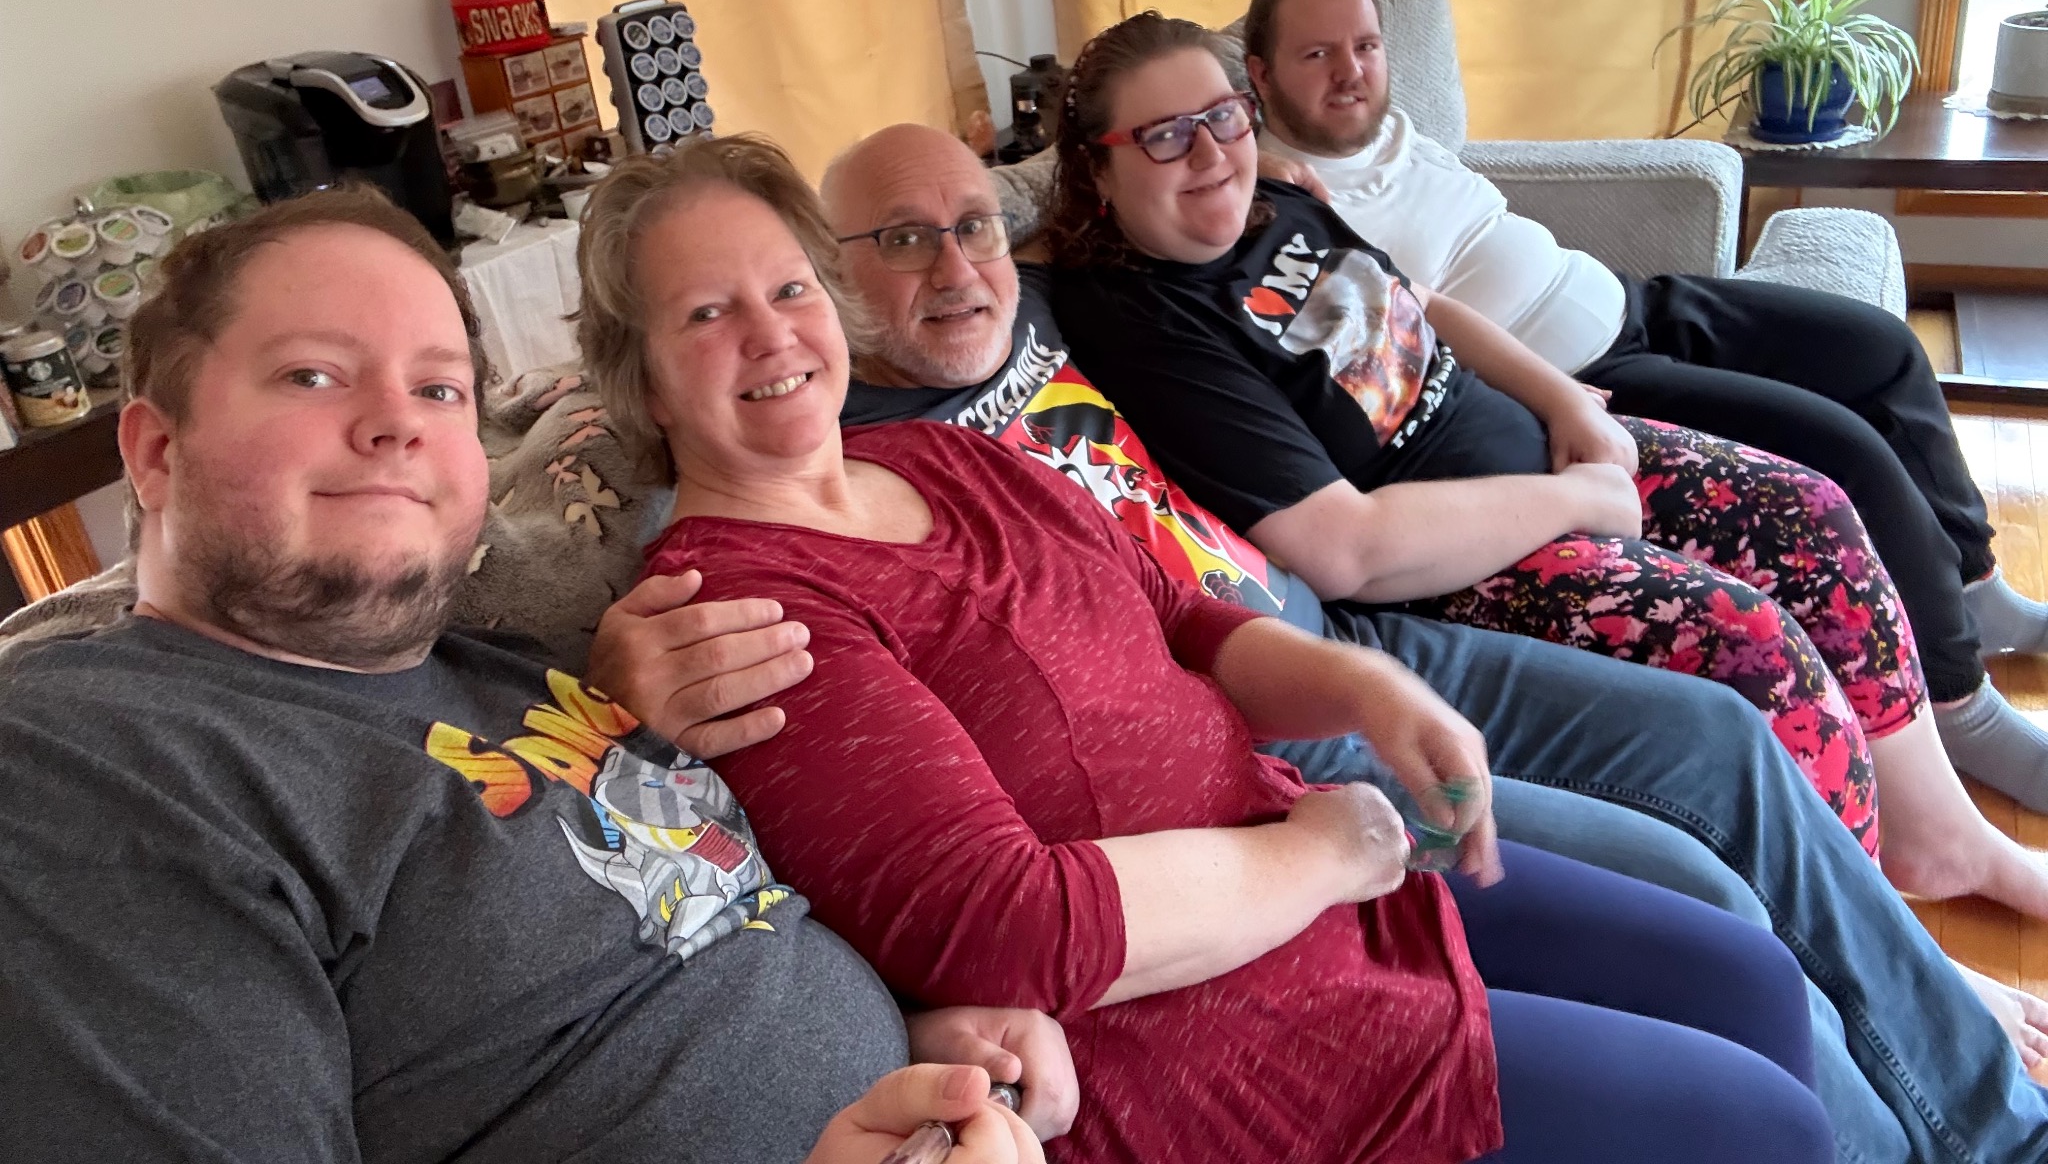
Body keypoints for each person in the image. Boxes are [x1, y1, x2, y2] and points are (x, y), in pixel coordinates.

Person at [800, 119, 2048, 1163]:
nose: (954, 265)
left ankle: (1981, 1102)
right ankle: (1928, 1116)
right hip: (1248, 747)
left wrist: (1261, 173)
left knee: (1721, 734)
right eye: (901, 240)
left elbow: (1122, 200)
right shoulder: (851, 443)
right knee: (1691, 880)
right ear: (830, 278)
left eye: (973, 227)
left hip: (1334, 640)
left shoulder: (1054, 297)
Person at [574, 134, 1838, 1164]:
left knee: (1746, 978)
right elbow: (1001, 925)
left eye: (789, 288)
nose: (771, 335)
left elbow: (1181, 618)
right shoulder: (732, 607)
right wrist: (1323, 853)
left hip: (1309, 860)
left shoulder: (939, 453)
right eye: (706, 313)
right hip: (1201, 1033)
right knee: (1761, 1126)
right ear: (639, 375)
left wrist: (1366, 688)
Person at [0, 187, 1057, 1164]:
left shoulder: (516, 670)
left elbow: (686, 951)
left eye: (439, 388)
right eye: (312, 375)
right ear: (156, 454)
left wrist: (915, 1036)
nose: (397, 422)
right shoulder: (90, 759)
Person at [1040, 10, 2048, 928]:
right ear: (1096, 167)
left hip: (1540, 453)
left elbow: (1425, 307)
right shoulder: (1142, 320)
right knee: (1753, 649)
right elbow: (1339, 549)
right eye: (1164, 136)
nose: (1209, 153)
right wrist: (1571, 498)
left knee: (1809, 511)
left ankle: (1941, 836)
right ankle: (1872, 939)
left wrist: (1564, 401)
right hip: (1458, 561)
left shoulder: (1270, 193)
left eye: (1222, 117)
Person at [1241, 0, 2048, 813]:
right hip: (1586, 378)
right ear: (1259, 76)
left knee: (1880, 349)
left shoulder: (1394, 132)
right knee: (1842, 450)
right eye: (1317, 54)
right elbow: (1388, 356)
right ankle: (1960, 707)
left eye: (1365, 46)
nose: (1351, 72)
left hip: (1631, 300)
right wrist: (1545, 395)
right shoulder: (1273, 203)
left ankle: (1975, 592)